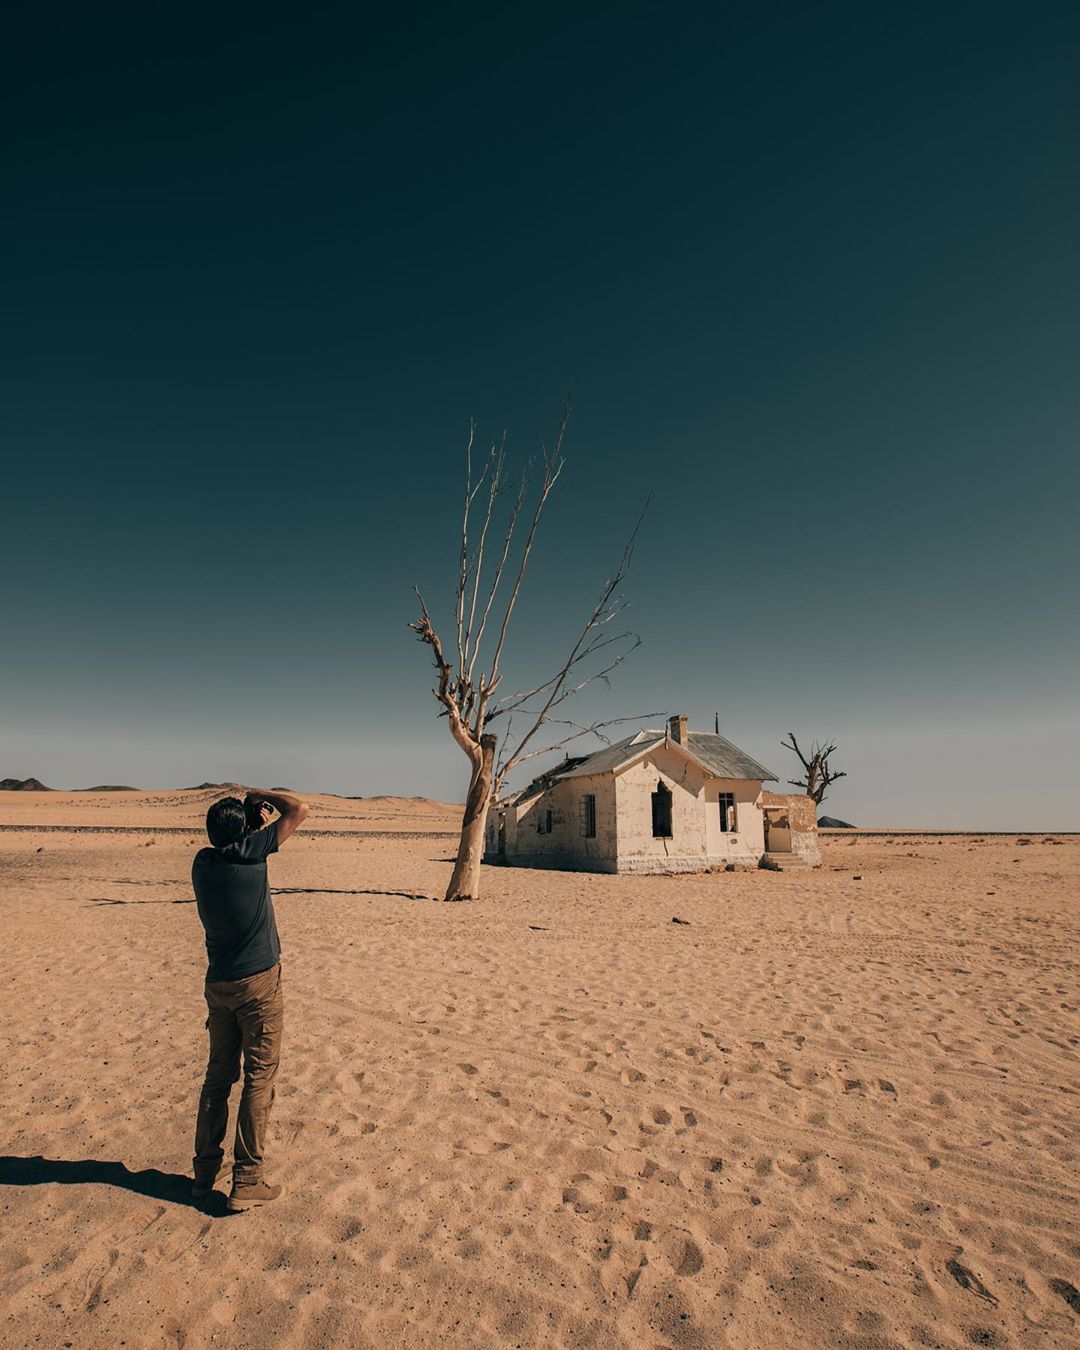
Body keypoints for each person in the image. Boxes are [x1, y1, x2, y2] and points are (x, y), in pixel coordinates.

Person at [190, 787, 309, 1211]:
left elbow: (231, 842)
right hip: (258, 984)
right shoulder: (252, 856)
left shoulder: (202, 863)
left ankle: (204, 1173)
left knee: (218, 1079)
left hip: (218, 985)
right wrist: (258, 794)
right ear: (246, 835)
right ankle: (248, 1179)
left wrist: (248, 820)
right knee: (260, 1077)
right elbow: (299, 809)